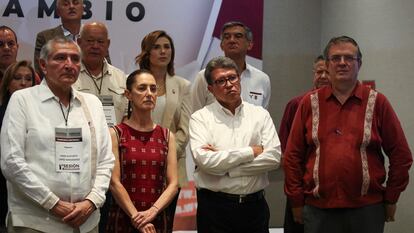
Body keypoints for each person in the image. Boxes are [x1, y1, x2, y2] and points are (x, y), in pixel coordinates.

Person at [283, 36, 413, 233]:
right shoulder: (309, 104)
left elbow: (401, 155)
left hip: (367, 210)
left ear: (359, 63)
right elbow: (292, 157)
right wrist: (296, 201)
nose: (342, 63)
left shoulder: (378, 103)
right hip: (318, 210)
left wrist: (391, 196)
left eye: (349, 58)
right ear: (327, 65)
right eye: (336, 58)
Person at [1, 37, 114, 232]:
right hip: (36, 222)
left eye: (75, 59)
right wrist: (53, 203)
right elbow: (12, 162)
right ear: (43, 65)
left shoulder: (92, 103)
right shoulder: (23, 100)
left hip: (85, 221)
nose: (69, 65)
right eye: (60, 58)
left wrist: (91, 201)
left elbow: (106, 160)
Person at [189, 56, 280, 233]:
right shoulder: (200, 118)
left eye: (232, 78)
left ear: (239, 79)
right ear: (210, 89)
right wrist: (251, 151)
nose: (229, 84)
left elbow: (273, 158)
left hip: (255, 208)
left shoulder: (260, 115)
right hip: (215, 209)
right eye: (221, 81)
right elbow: (206, 162)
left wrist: (230, 168)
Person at [106, 69, 178, 233]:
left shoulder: (167, 136)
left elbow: (173, 184)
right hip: (123, 217)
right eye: (142, 88)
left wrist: (152, 212)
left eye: (153, 89)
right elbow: (114, 182)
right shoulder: (116, 134)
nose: (149, 93)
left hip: (157, 218)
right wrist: (137, 218)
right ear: (128, 94)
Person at [135, 30, 191, 230]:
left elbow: (184, 130)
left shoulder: (183, 85)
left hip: (169, 169)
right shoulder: (131, 81)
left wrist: (164, 157)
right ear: (147, 52)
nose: (163, 51)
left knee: (163, 226)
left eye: (167, 47)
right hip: (134, 166)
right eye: (157, 47)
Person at [279, 55, 330, 233]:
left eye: (327, 72)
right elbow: (285, 153)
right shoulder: (296, 104)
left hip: (333, 196)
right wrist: (295, 192)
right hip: (301, 191)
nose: (323, 76)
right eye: (319, 71)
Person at [191, 21, 271, 112]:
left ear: (249, 45)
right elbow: (195, 115)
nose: (232, 40)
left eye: (238, 36)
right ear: (221, 45)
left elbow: (262, 117)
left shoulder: (262, 79)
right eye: (227, 37)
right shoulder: (204, 76)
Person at [0, 60, 36, 233]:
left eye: (28, 79)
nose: (24, 83)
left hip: (32, 193)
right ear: (7, 84)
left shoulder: (41, 116)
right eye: (17, 78)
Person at [74, 21, 127, 126]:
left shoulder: (120, 77)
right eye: (90, 41)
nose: (95, 46)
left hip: (113, 140)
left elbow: (127, 114)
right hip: (79, 139)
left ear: (108, 44)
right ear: (79, 42)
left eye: (100, 41)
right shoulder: (70, 76)